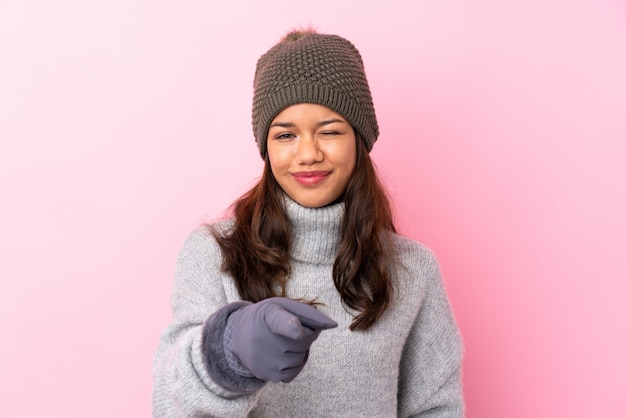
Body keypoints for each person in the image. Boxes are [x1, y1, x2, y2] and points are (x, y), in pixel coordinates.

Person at [152, 29, 464, 417]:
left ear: (360, 140)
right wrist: (226, 352)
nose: (307, 154)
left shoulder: (412, 269)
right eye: (285, 135)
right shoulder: (213, 254)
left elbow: (436, 408)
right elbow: (168, 405)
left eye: (329, 131)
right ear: (266, 147)